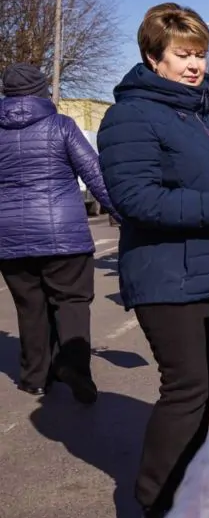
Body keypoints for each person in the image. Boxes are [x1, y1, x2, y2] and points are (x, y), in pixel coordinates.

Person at [97, 2, 209, 518]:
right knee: (188, 389)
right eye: (182, 55)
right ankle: (154, 506)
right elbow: (133, 199)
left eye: (199, 54)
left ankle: (197, 492)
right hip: (166, 275)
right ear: (154, 57)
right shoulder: (130, 116)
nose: (195, 65)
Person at [0, 63, 115, 402]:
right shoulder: (61, 126)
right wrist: (124, 214)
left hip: (9, 236)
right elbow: (95, 174)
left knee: (30, 306)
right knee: (71, 302)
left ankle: (34, 377)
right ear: (42, 92)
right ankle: (75, 368)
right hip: (63, 235)